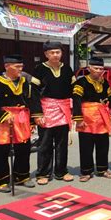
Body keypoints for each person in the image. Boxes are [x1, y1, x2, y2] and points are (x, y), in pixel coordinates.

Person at [31, 41, 75, 185]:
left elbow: (74, 90)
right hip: (46, 110)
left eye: (58, 52)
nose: (55, 55)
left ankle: (61, 171)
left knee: (62, 143)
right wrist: (37, 114)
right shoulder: (39, 70)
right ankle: (43, 173)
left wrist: (75, 111)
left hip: (63, 109)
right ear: (46, 54)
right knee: (45, 143)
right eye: (52, 52)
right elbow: (34, 94)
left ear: (62, 53)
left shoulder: (68, 69)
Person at [0, 55, 35, 193]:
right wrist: (3, 115)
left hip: (22, 118)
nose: (20, 69)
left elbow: (31, 101)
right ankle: (0, 180)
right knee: (1, 150)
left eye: (21, 66)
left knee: (24, 147)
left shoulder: (25, 82)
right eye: (17, 66)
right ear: (7, 66)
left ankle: (21, 176)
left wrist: (32, 120)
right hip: (3, 120)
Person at [72, 57, 111, 182]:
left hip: (102, 118)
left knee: (103, 144)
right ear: (89, 68)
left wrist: (110, 113)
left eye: (101, 68)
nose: (99, 71)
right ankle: (86, 171)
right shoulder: (81, 82)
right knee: (86, 145)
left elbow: (109, 97)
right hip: (86, 117)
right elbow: (76, 100)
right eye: (96, 68)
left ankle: (102, 168)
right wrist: (78, 118)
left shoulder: (105, 82)